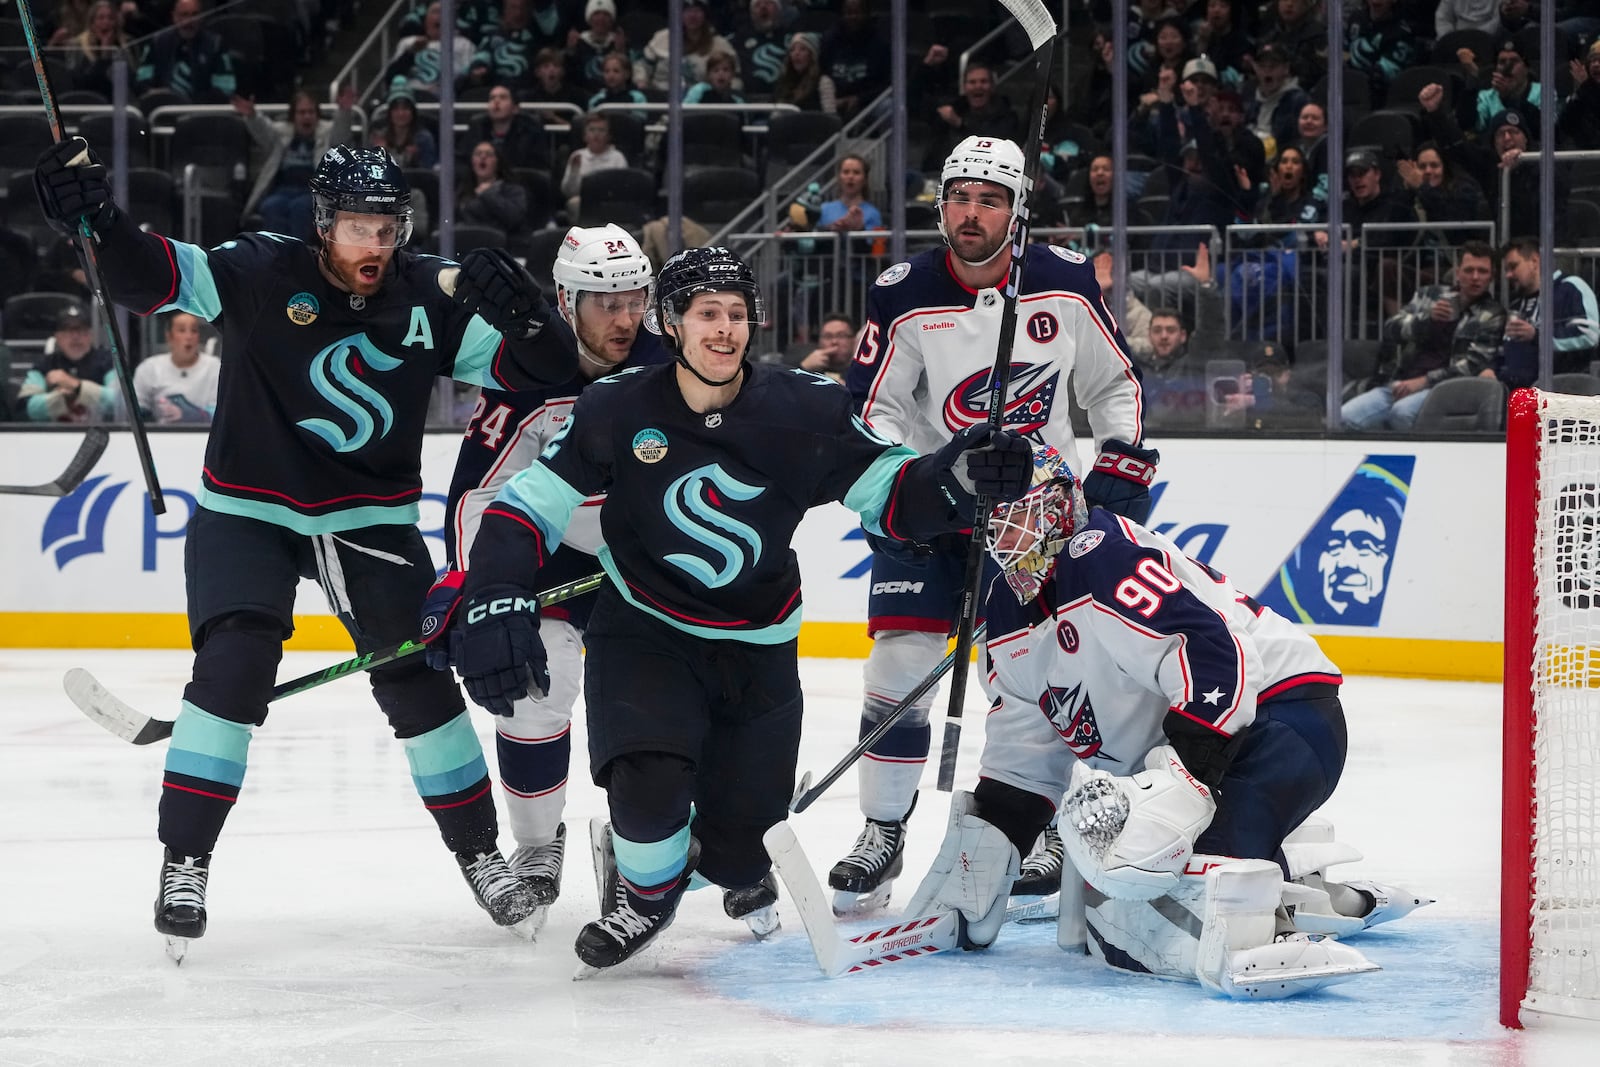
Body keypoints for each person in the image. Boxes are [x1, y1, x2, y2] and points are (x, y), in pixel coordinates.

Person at [32, 137, 579, 959]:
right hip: (246, 509)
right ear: (324, 223)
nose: (377, 245)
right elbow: (148, 274)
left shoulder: (428, 292)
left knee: (419, 682)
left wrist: (529, 311)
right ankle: (186, 859)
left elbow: (539, 372)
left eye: (389, 228)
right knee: (233, 667)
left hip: (369, 520)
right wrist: (99, 220)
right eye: (360, 226)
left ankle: (480, 855)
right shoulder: (259, 268)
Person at [447, 245, 1034, 970]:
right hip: (644, 634)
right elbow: (525, 506)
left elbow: (894, 491)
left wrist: (958, 475)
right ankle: (643, 891)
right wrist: (495, 588)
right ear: (673, 323)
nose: (723, 330)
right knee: (650, 790)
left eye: (736, 315)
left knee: (736, 857)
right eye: (705, 315)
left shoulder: (806, 409)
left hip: (757, 648)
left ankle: (675, 856)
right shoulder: (618, 405)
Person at [904, 447, 1425, 997]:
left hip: (1280, 718)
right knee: (1122, 912)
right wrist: (985, 847)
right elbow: (1024, 756)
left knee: (1178, 896)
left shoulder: (1100, 556)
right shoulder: (1006, 614)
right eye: (991, 528)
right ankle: (1299, 882)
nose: (1000, 544)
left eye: (1011, 522)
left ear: (1054, 508)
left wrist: (1184, 782)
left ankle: (1285, 900)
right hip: (1192, 751)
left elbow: (1216, 654)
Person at [834, 135, 1152, 916]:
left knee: (1026, 678)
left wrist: (1118, 463)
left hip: (1037, 517)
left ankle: (1028, 822)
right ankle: (882, 829)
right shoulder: (903, 290)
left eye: (990, 199)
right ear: (940, 202)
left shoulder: (1065, 282)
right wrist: (905, 483)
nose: (970, 214)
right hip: (937, 507)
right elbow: (869, 408)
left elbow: (1115, 384)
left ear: (1018, 209)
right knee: (899, 663)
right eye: (958, 197)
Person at [426, 225, 666, 930]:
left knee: (664, 697)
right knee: (534, 686)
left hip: (645, 568)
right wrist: (471, 584)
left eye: (635, 300)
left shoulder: (671, 364)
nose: (625, 319)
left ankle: (654, 842)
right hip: (549, 565)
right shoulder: (525, 373)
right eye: (604, 303)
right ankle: (536, 846)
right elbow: (476, 496)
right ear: (566, 300)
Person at [1342, 240, 1505, 431]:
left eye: (1482, 271)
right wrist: (1426, 320)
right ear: (1458, 272)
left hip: (1441, 389)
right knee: (1343, 418)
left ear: (1491, 277)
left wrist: (1423, 381)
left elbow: (1473, 364)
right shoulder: (1429, 295)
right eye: (1469, 270)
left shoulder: (1493, 313)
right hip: (1399, 382)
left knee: (1402, 414)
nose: (1475, 277)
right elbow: (1391, 329)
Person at [240, 89, 356, 241]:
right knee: (271, 206)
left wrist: (344, 112)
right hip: (283, 189)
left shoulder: (327, 133)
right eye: (301, 112)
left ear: (317, 115)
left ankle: (297, 257)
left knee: (300, 208)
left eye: (310, 112)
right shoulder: (282, 133)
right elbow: (264, 131)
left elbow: (340, 135)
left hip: (312, 191)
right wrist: (251, 116)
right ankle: (273, 255)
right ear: (293, 116)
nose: (306, 117)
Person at [1488, 236, 1600, 389]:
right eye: (1506, 269)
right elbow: (1506, 350)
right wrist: (1492, 370)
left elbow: (1589, 335)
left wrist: (1537, 335)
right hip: (1520, 398)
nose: (1508, 275)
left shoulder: (1571, 287)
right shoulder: (1517, 305)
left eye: (1513, 267)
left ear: (1534, 261)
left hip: (1563, 393)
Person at [18, 305, 117, 423]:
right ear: (57, 337)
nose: (75, 337)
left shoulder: (108, 361)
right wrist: (61, 398)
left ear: (90, 335)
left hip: (101, 433)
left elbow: (120, 402)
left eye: (81, 330)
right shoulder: (44, 365)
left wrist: (77, 386)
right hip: (53, 437)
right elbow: (27, 408)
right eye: (68, 331)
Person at [134, 0, 238, 103]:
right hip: (163, 111)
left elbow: (225, 89)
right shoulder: (157, 42)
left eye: (194, 15)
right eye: (183, 15)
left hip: (202, 113)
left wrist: (191, 104)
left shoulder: (215, 45)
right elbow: (142, 81)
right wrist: (158, 95)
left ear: (201, 16)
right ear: (174, 17)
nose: (189, 21)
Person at [131, 311, 220, 424]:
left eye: (194, 331)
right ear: (169, 337)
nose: (189, 337)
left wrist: (194, 415)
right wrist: (149, 415)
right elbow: (135, 409)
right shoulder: (149, 368)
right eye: (182, 330)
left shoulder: (215, 368)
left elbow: (222, 412)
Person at [634, 0, 736, 96]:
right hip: (661, 97)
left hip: (703, 100)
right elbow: (642, 66)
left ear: (705, 14)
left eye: (697, 10)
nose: (692, 15)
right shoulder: (662, 38)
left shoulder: (720, 44)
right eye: (687, 10)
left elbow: (735, 79)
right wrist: (641, 82)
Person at [463, 85, 550, 171]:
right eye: (492, 98)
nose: (496, 101)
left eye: (503, 98)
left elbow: (537, 166)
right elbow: (464, 159)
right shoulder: (477, 127)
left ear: (515, 108)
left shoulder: (530, 129)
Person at [560, 112, 628, 218]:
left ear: (609, 136)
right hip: (584, 201)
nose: (596, 134)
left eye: (601, 130)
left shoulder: (618, 157)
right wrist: (574, 170)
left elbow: (623, 190)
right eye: (592, 130)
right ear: (585, 136)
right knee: (574, 203)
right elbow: (568, 192)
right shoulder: (577, 156)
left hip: (610, 202)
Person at [458, 141, 528, 237]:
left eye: (489, 154)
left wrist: (487, 193)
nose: (483, 157)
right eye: (478, 154)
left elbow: (513, 218)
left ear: (498, 162)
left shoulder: (513, 190)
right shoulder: (462, 190)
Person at [371, 86, 440, 170]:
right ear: (390, 113)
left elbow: (429, 172)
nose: (401, 114)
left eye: (405, 109)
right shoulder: (379, 137)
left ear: (412, 112)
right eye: (396, 109)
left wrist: (416, 159)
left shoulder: (424, 138)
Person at [772, 30, 835, 114]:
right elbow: (775, 114)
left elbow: (831, 118)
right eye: (792, 50)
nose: (796, 53)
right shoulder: (783, 82)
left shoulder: (823, 82)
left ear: (812, 55)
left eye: (803, 49)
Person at [817, 154, 882, 234]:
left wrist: (859, 229)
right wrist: (831, 228)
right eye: (846, 172)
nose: (850, 177)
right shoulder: (824, 210)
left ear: (865, 179)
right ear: (839, 177)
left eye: (856, 172)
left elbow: (873, 243)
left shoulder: (873, 213)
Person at [799, 312, 855, 380]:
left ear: (853, 340)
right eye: (828, 336)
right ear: (819, 341)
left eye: (841, 336)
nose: (834, 341)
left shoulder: (862, 372)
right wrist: (803, 368)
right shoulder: (809, 369)